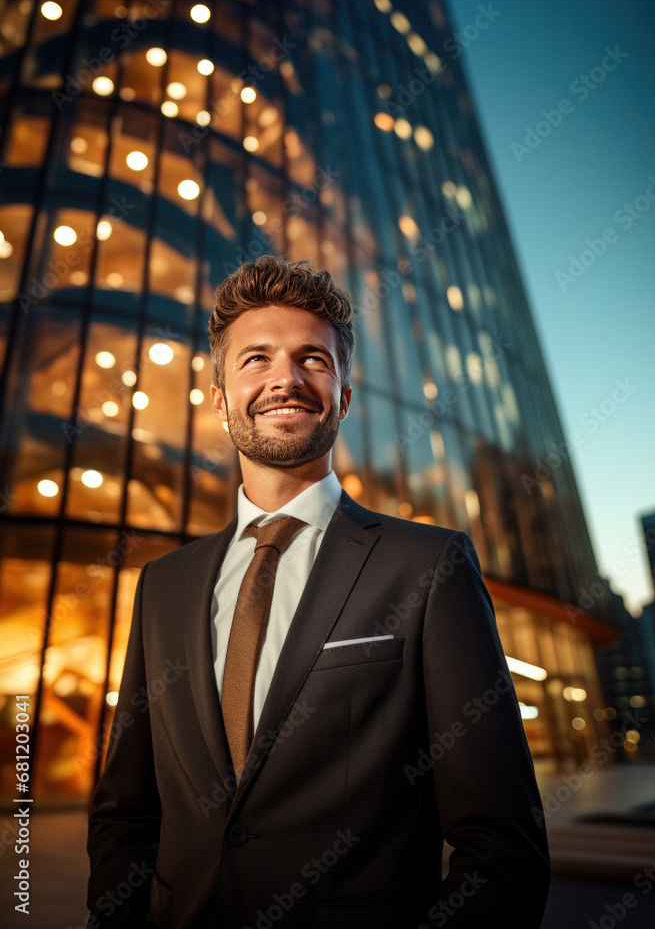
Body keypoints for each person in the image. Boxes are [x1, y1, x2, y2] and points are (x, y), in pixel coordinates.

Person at [86, 254, 550, 929]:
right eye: (256, 359)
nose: (285, 378)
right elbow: (125, 811)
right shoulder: (163, 585)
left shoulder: (428, 566)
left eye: (313, 359)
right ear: (218, 399)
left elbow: (501, 845)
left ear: (344, 397)